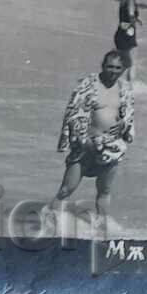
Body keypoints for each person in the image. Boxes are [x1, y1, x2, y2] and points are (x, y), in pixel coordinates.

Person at [51, 50, 134, 236]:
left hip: (112, 147)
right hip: (85, 146)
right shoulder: (88, 85)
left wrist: (123, 124)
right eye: (109, 67)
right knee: (67, 189)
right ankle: (51, 228)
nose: (113, 71)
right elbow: (73, 115)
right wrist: (83, 140)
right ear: (102, 66)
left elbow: (128, 116)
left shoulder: (125, 88)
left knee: (104, 190)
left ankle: (102, 230)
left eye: (117, 68)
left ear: (123, 69)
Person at [114, 0, 147, 82]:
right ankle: (130, 88)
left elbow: (125, 15)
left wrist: (136, 19)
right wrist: (133, 20)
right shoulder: (131, 1)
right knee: (131, 63)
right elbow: (130, 14)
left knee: (125, 62)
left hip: (120, 33)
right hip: (127, 34)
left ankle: (114, 81)